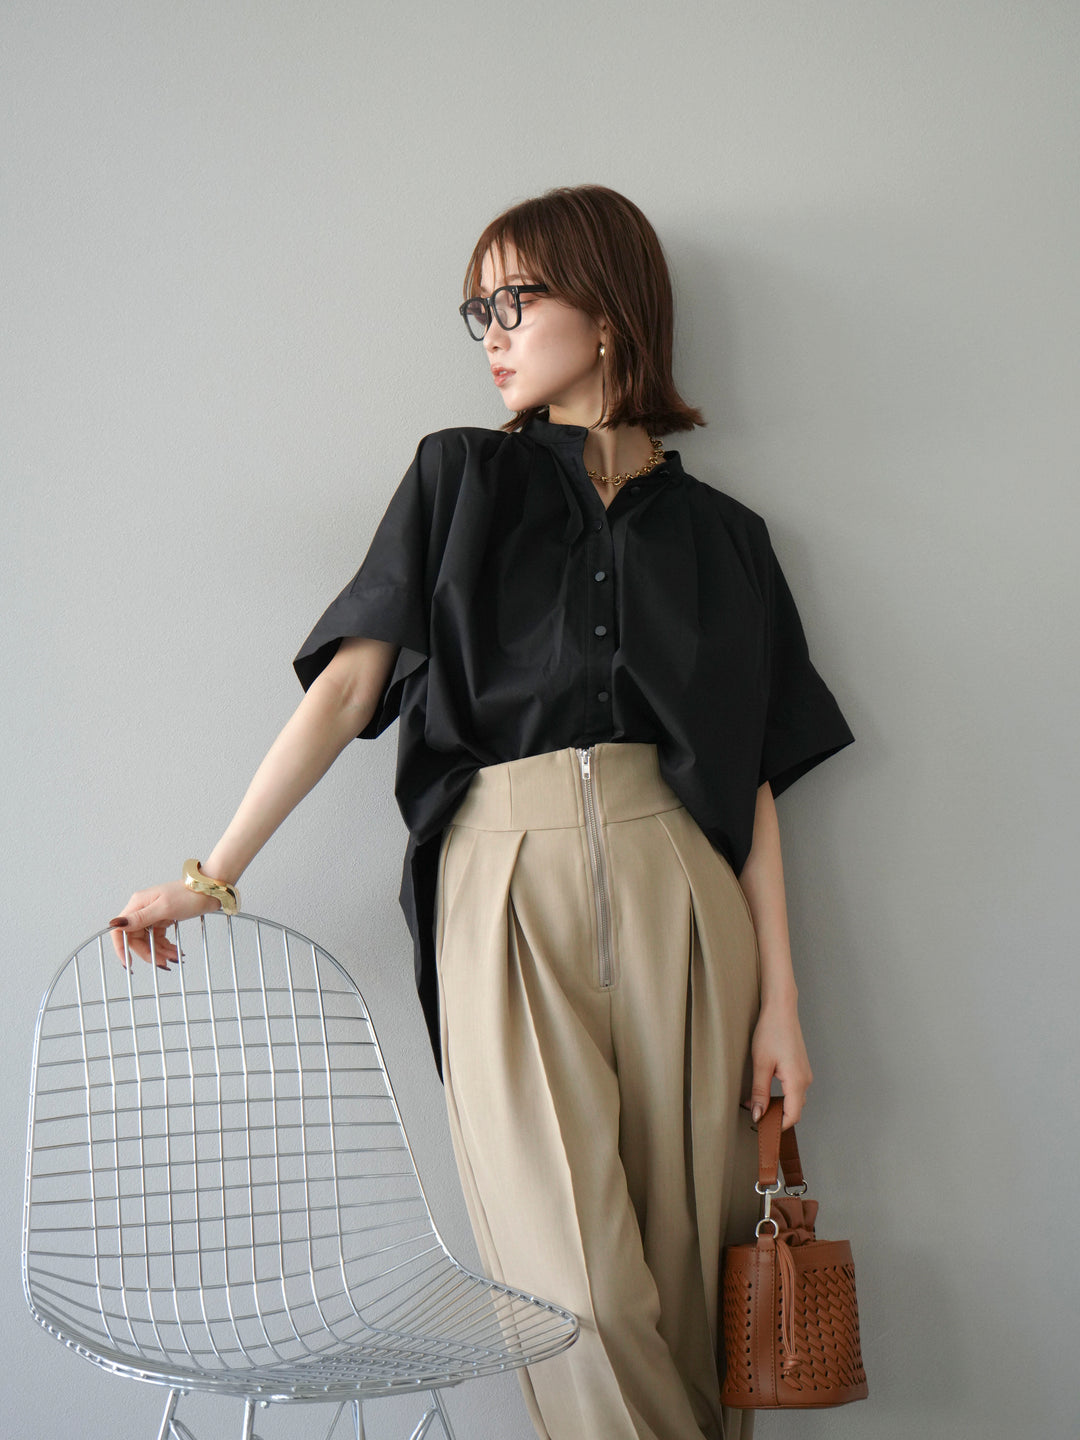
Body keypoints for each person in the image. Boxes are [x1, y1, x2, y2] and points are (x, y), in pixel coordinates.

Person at [110, 185, 854, 1440]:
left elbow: (750, 781)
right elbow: (349, 689)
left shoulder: (727, 539)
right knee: (579, 1301)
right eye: (480, 311)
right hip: (502, 893)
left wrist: (782, 1005)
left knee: (690, 1291)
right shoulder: (458, 477)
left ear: (607, 315)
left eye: (517, 300)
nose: (493, 333)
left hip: (683, 893)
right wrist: (212, 874)